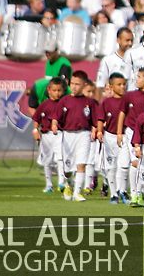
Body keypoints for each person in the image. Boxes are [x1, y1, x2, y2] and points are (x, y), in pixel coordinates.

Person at [54, 71, 95, 202]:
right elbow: (56, 118)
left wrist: (96, 130)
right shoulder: (64, 101)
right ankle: (68, 185)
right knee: (68, 170)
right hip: (67, 135)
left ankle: (77, 193)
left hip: (84, 134)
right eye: (72, 83)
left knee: (81, 164)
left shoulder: (90, 102)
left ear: (84, 85)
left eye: (78, 84)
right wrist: (54, 125)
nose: (74, 86)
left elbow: (96, 120)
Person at [96, 72, 128, 204]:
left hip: (125, 136)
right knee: (111, 167)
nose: (122, 87)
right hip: (109, 136)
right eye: (119, 84)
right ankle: (113, 193)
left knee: (124, 166)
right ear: (111, 86)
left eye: (124, 84)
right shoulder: (106, 102)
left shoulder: (128, 101)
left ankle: (123, 191)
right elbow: (100, 118)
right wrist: (99, 131)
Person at [32, 77, 66, 193]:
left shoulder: (64, 103)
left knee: (60, 159)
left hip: (59, 134)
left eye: (59, 90)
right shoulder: (44, 104)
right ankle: (49, 184)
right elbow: (36, 118)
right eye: (55, 90)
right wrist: (35, 130)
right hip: (46, 135)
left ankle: (62, 182)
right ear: (49, 90)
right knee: (47, 160)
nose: (57, 93)